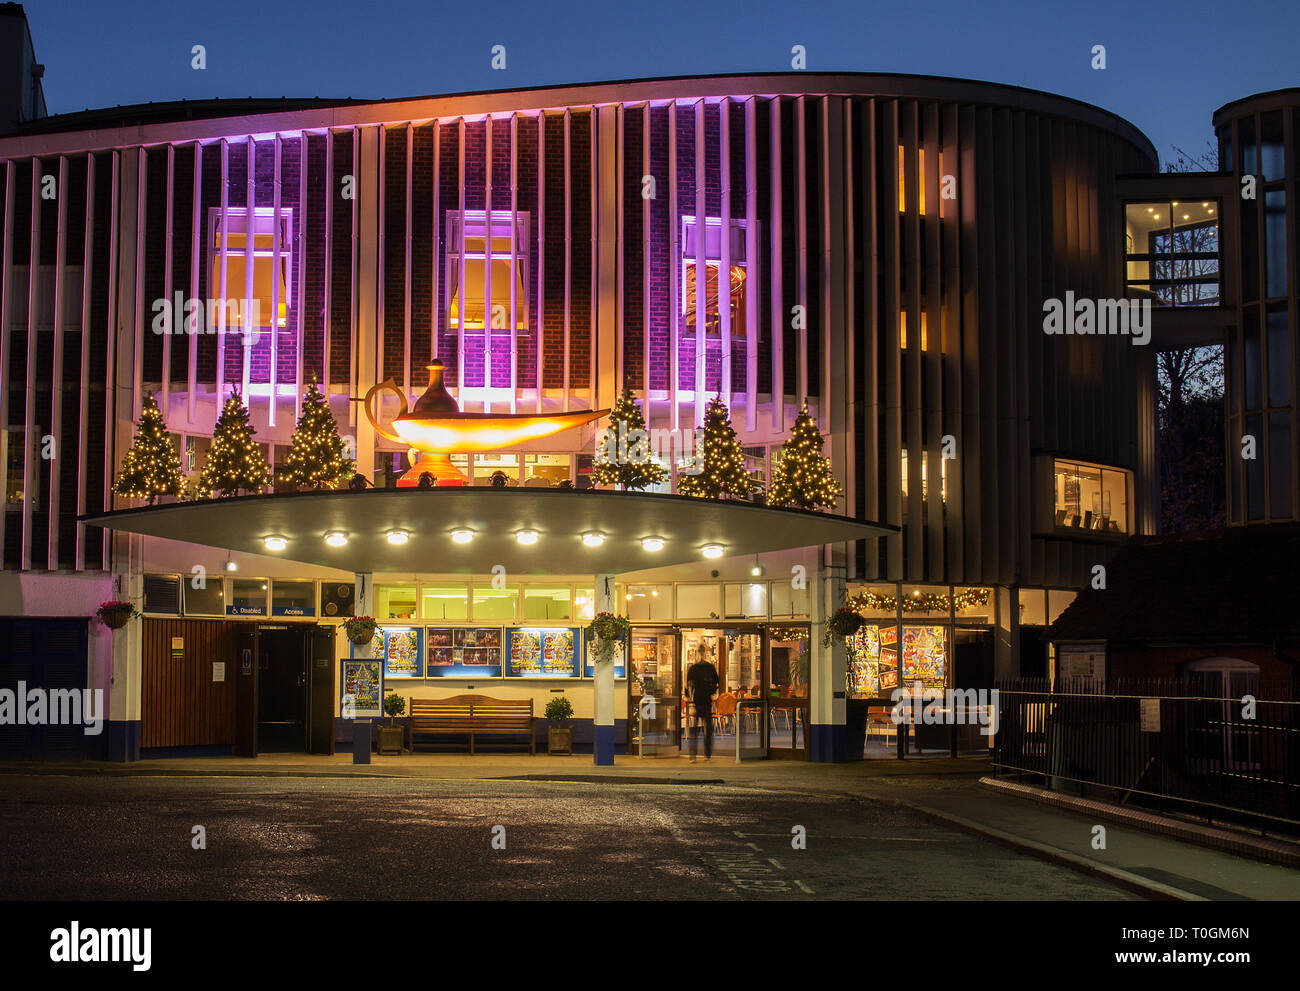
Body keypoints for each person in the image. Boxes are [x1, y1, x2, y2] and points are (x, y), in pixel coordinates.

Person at [685, 658, 720, 760]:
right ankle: (707, 754)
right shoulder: (710, 668)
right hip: (706, 700)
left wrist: (689, 695)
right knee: (708, 727)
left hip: (698, 700)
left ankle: (693, 754)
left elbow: (688, 684)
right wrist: (712, 691)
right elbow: (716, 684)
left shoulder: (694, 669)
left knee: (696, 729)